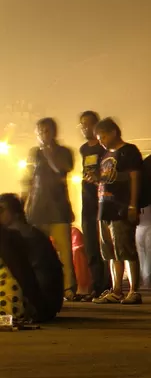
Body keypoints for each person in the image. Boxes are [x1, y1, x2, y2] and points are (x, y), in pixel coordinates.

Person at [22, 117, 77, 300]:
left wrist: (49, 154)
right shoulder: (34, 153)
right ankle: (41, 287)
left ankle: (68, 288)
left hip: (58, 209)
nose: (43, 135)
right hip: (37, 210)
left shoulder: (64, 152)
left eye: (46, 131)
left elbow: (64, 169)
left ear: (54, 132)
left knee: (65, 252)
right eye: (40, 131)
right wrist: (23, 204)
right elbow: (28, 180)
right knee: (38, 252)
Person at [93, 118, 143, 305]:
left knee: (126, 250)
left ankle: (134, 291)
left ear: (113, 132)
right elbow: (105, 178)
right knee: (110, 252)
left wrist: (132, 205)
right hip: (104, 207)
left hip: (121, 207)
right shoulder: (106, 154)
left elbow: (135, 178)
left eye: (103, 137)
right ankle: (116, 290)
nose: (101, 142)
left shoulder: (129, 151)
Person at [0, 193, 64, 322]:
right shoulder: (26, 232)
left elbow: (23, 275)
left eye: (1, 210)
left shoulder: (14, 235)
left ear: (16, 214)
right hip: (45, 303)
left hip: (38, 304)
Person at [78, 110, 107, 299]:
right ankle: (96, 286)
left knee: (105, 244)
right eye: (82, 124)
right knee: (90, 245)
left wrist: (99, 178)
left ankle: (108, 286)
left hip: (103, 201)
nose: (84, 128)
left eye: (88, 124)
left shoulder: (104, 148)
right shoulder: (83, 149)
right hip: (87, 200)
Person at [135, 183, 151, 287]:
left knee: (141, 251)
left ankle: (145, 276)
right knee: (149, 251)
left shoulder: (135, 185)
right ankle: (147, 277)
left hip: (139, 224)